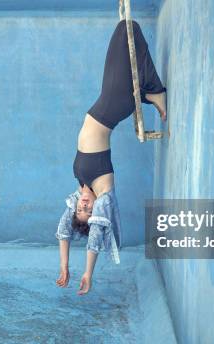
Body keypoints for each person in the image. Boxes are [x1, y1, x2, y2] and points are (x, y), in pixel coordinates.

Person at [55, 19, 167, 295]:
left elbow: (63, 231)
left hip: (104, 103)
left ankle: (148, 92)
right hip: (112, 106)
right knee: (128, 30)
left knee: (125, 32)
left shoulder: (81, 187)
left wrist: (64, 266)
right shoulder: (103, 192)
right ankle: (155, 93)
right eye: (88, 211)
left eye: (80, 210)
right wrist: (87, 273)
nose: (84, 206)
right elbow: (94, 238)